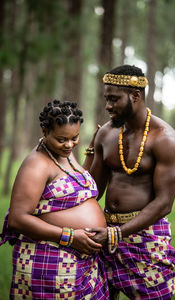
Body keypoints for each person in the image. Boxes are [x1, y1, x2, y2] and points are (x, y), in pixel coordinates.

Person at [86, 65, 175, 299]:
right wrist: (89, 153)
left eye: (114, 99)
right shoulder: (106, 134)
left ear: (135, 96)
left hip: (146, 235)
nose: (108, 106)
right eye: (106, 99)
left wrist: (118, 234)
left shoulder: (165, 139)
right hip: (105, 232)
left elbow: (163, 203)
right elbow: (92, 191)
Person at [0, 100, 109, 299]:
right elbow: (17, 218)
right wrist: (69, 236)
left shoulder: (64, 154)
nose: (69, 144)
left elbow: (76, 182)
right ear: (45, 131)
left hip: (82, 263)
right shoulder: (37, 164)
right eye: (62, 139)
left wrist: (92, 147)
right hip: (51, 263)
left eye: (74, 138)